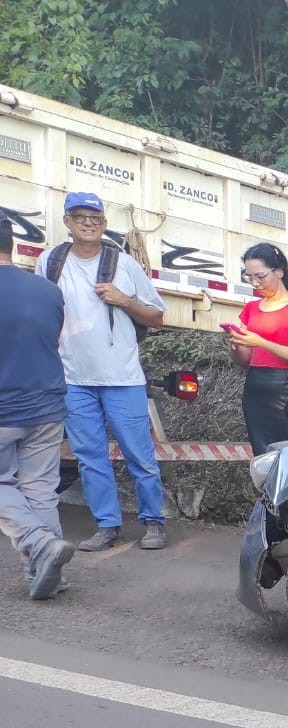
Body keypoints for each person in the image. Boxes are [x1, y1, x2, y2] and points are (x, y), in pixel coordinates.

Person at [48, 192, 168, 552]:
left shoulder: (124, 265)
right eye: (80, 216)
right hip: (73, 379)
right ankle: (107, 526)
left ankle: (154, 523)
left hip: (122, 379)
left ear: (104, 224)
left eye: (95, 218)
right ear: (67, 221)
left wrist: (125, 300)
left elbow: (157, 316)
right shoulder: (50, 261)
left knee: (140, 455)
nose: (88, 223)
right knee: (89, 458)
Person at [0, 220, 75, 599]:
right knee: (40, 490)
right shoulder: (48, 291)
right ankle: (48, 575)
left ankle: (37, 543)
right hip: (46, 406)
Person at [229, 243, 288, 453]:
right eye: (249, 277)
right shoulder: (251, 308)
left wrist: (260, 342)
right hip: (256, 386)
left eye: (260, 276)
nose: (255, 283)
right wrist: (236, 346)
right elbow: (244, 359)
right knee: (262, 454)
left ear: (279, 272)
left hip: (287, 387)